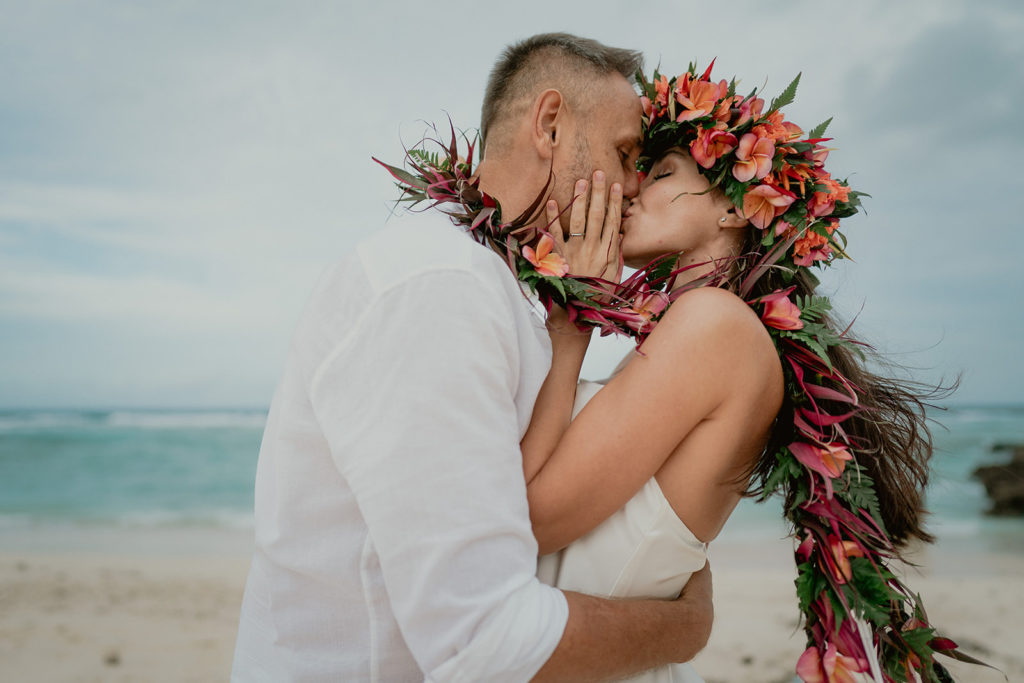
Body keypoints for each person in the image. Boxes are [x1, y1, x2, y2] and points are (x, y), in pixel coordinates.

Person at [231, 34, 715, 683]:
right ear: (549, 125)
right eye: (625, 153)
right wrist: (683, 629)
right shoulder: (441, 285)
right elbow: (483, 641)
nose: (633, 185)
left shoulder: (502, 290)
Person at [517, 63, 959, 681]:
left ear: (735, 207)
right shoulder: (708, 335)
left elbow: (529, 523)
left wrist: (570, 327)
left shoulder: (713, 325)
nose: (634, 188)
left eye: (663, 171)